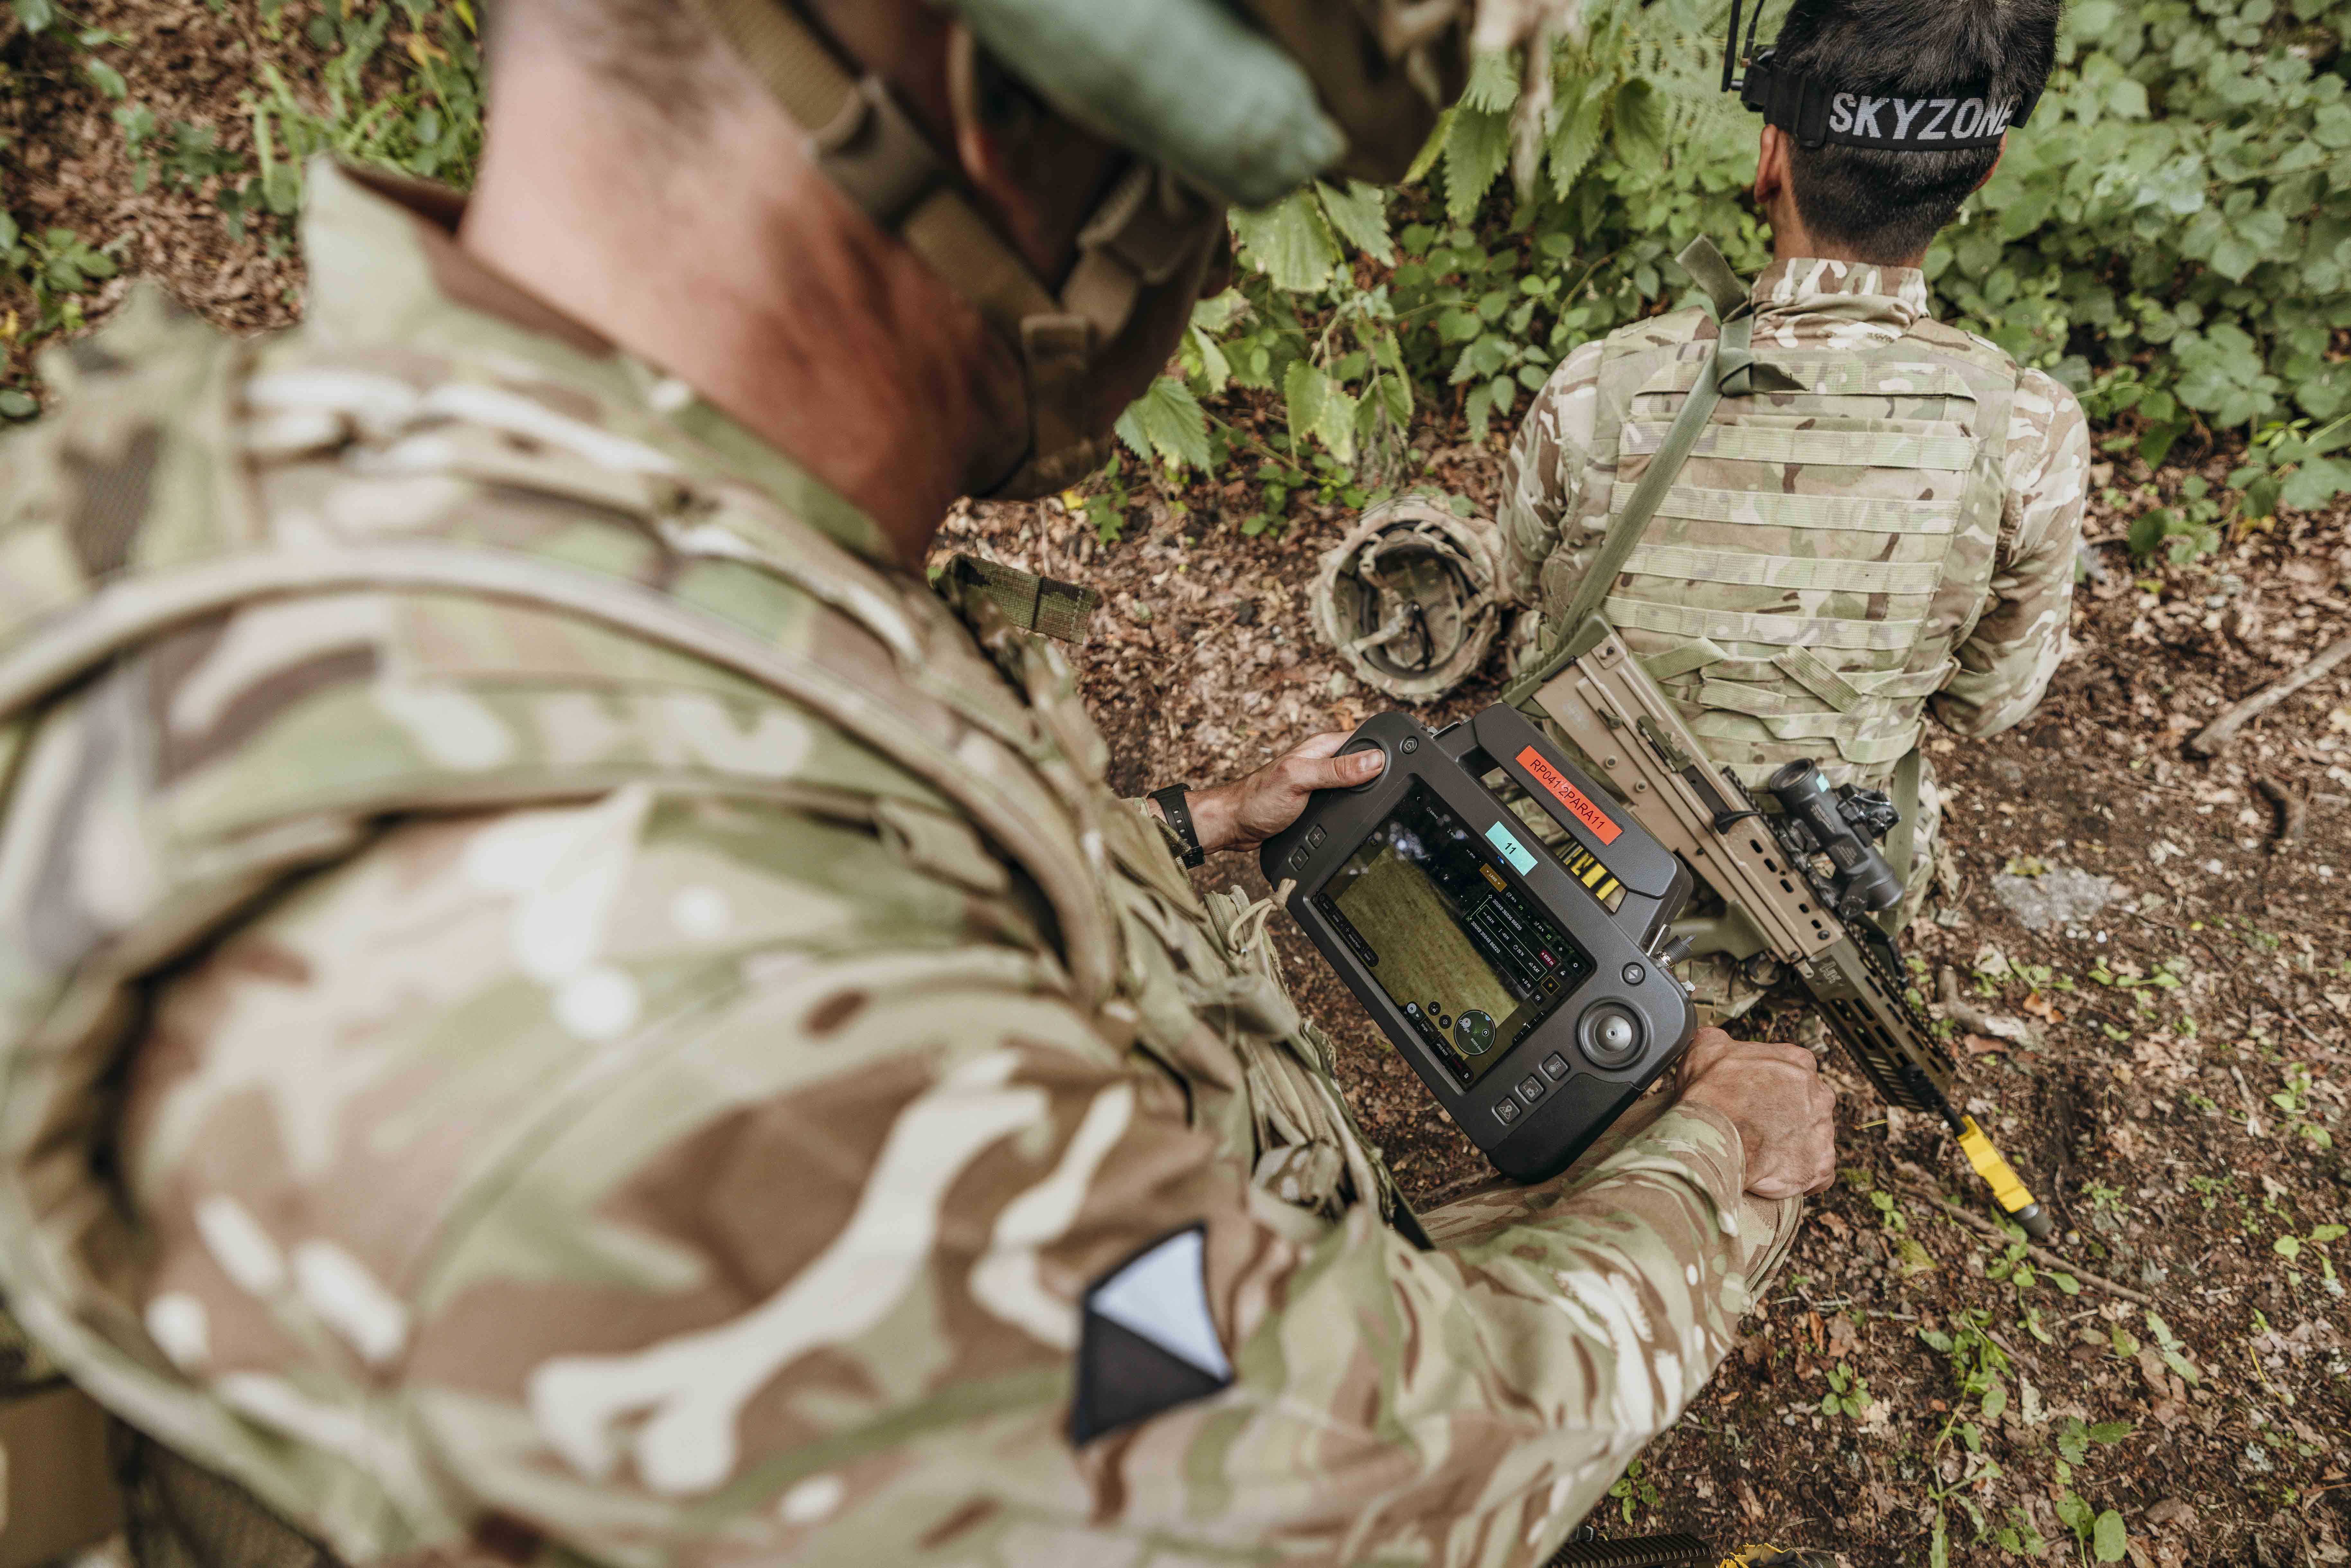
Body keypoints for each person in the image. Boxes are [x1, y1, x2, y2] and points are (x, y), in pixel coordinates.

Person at [0, 3, 1838, 1564]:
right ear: (1009, 124)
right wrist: (1724, 1159)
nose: (1189, 273)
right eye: (1200, 198)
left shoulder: (303, 519)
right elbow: (1368, 1479)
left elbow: (743, 801)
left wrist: (1169, 841)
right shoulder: (691, 1025)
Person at [1499, 0, 2088, 1025]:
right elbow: (1987, 702)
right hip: (1812, 897)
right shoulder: (2024, 425)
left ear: (1770, 154)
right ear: (1983, 171)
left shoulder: (1602, 383)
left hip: (1572, 873)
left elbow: (1515, 588)